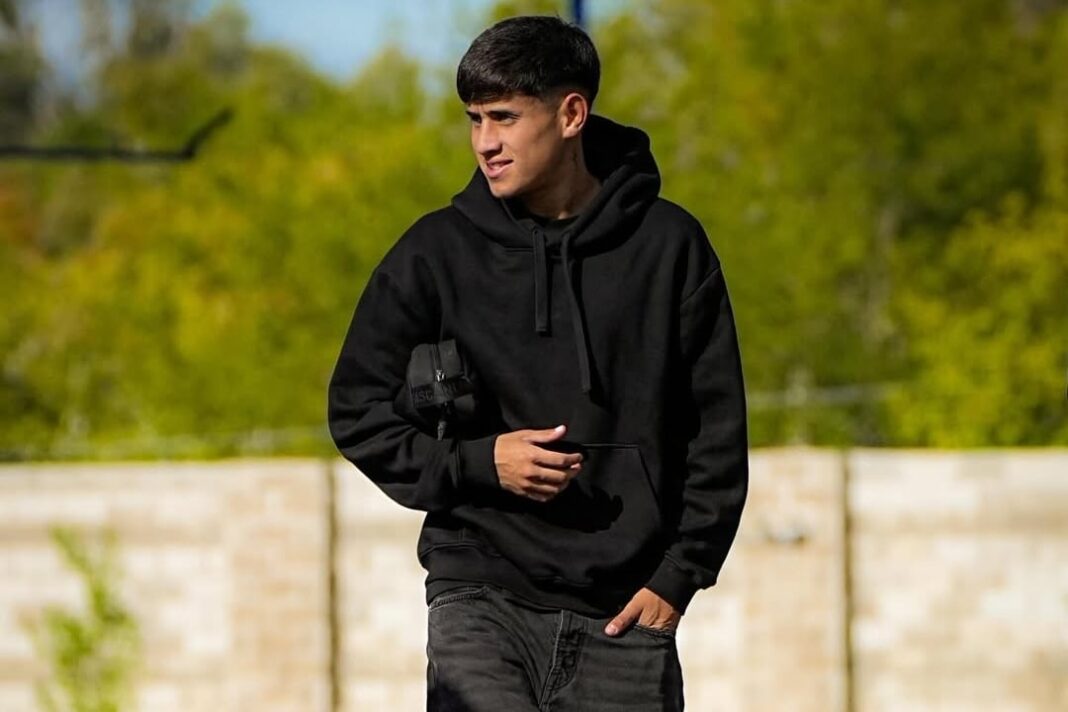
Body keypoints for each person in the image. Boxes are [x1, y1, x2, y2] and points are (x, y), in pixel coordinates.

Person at [327, 14, 748, 711]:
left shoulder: (671, 247)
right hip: (480, 592)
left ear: (571, 113)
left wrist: (680, 577)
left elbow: (716, 431)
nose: (484, 143)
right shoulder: (436, 252)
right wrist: (478, 462)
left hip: (626, 613)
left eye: (504, 118)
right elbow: (355, 411)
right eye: (473, 120)